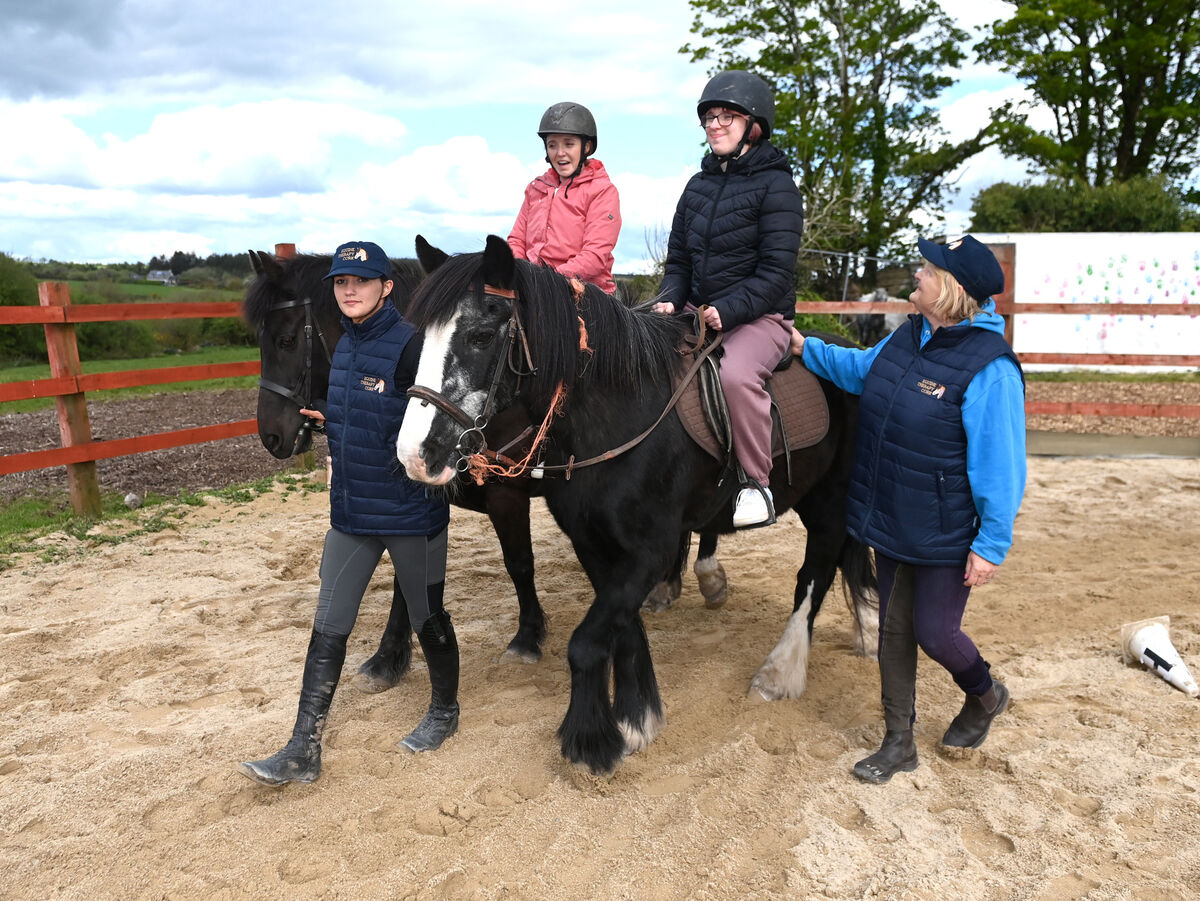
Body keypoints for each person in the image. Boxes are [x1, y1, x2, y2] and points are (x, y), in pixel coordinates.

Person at [794, 235, 1026, 784]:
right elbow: (859, 371)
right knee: (893, 633)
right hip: (892, 514)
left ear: (950, 289)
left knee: (936, 634)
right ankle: (898, 742)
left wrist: (990, 545)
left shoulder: (990, 369)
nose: (916, 276)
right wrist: (805, 348)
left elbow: (1002, 467)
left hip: (948, 531)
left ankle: (986, 694)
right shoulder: (908, 338)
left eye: (926, 270)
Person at [239, 241, 456, 787]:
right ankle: (301, 746)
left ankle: (444, 712)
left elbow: (438, 422)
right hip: (353, 512)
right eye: (340, 283)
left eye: (361, 282)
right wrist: (332, 420)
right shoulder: (341, 352)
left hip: (409, 514)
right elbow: (362, 413)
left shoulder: (412, 348)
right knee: (329, 624)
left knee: (429, 619)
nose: (349, 290)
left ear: (386, 288)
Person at [653, 71, 804, 528]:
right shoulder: (697, 186)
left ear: (753, 125)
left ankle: (756, 484)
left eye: (727, 116)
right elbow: (678, 258)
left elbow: (776, 273)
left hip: (760, 317)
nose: (715, 125)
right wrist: (668, 298)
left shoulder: (779, 188)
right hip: (697, 310)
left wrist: (731, 309)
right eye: (709, 117)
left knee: (737, 376)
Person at [508, 101, 622, 295]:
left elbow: (594, 256)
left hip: (585, 292)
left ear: (586, 147)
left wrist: (547, 282)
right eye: (552, 145)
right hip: (535, 288)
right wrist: (521, 273)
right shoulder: (536, 188)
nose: (560, 153)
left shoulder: (602, 191)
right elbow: (516, 240)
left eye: (569, 144)